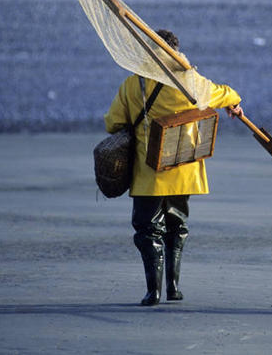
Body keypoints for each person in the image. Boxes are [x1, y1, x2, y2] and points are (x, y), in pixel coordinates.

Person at [104, 29, 244, 306]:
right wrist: (235, 102)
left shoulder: (134, 84)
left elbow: (113, 123)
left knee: (147, 229)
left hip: (149, 172)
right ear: (176, 51)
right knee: (176, 226)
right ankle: (173, 288)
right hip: (184, 168)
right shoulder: (190, 83)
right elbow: (224, 93)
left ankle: (152, 291)